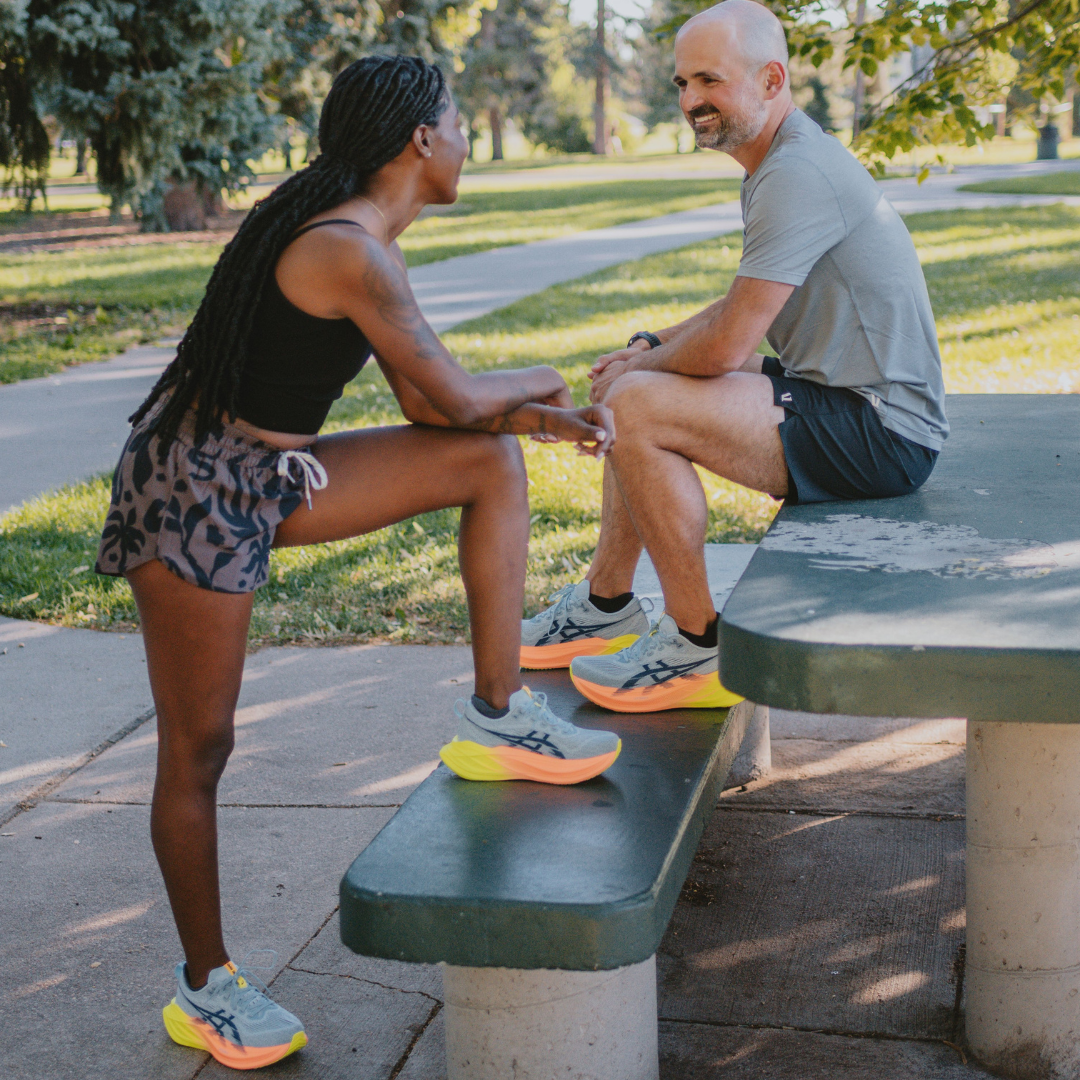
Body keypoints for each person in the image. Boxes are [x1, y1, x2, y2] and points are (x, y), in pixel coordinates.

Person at [94, 56, 620, 1071]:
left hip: (273, 468)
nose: (468, 140)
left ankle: (498, 713)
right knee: (199, 749)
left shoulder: (360, 232)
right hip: (194, 490)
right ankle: (206, 987)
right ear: (422, 141)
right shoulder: (352, 248)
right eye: (461, 123)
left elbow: (442, 417)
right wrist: (556, 377)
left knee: (489, 461)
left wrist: (542, 423)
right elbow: (456, 394)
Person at [522, 0, 949, 713]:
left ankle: (696, 646)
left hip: (884, 432)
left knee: (636, 405)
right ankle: (606, 603)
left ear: (771, 79)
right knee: (637, 389)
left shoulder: (795, 174)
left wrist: (638, 373)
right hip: (841, 392)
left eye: (710, 82)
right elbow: (742, 303)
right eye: (682, 83)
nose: (691, 101)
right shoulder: (782, 158)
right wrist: (649, 347)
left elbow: (728, 346)